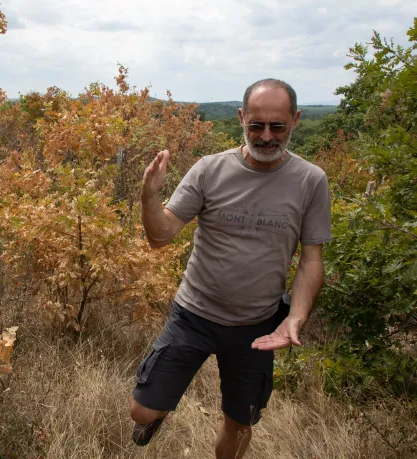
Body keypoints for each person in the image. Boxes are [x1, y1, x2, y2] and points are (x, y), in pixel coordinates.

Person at [130, 79, 332, 458]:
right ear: (241, 118)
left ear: (296, 120)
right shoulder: (210, 170)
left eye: (278, 126)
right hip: (193, 315)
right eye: (257, 125)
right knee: (140, 410)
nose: (267, 136)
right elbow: (160, 236)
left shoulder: (311, 181)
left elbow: (311, 259)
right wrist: (149, 196)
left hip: (256, 325)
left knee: (239, 426)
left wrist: (296, 318)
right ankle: (156, 412)